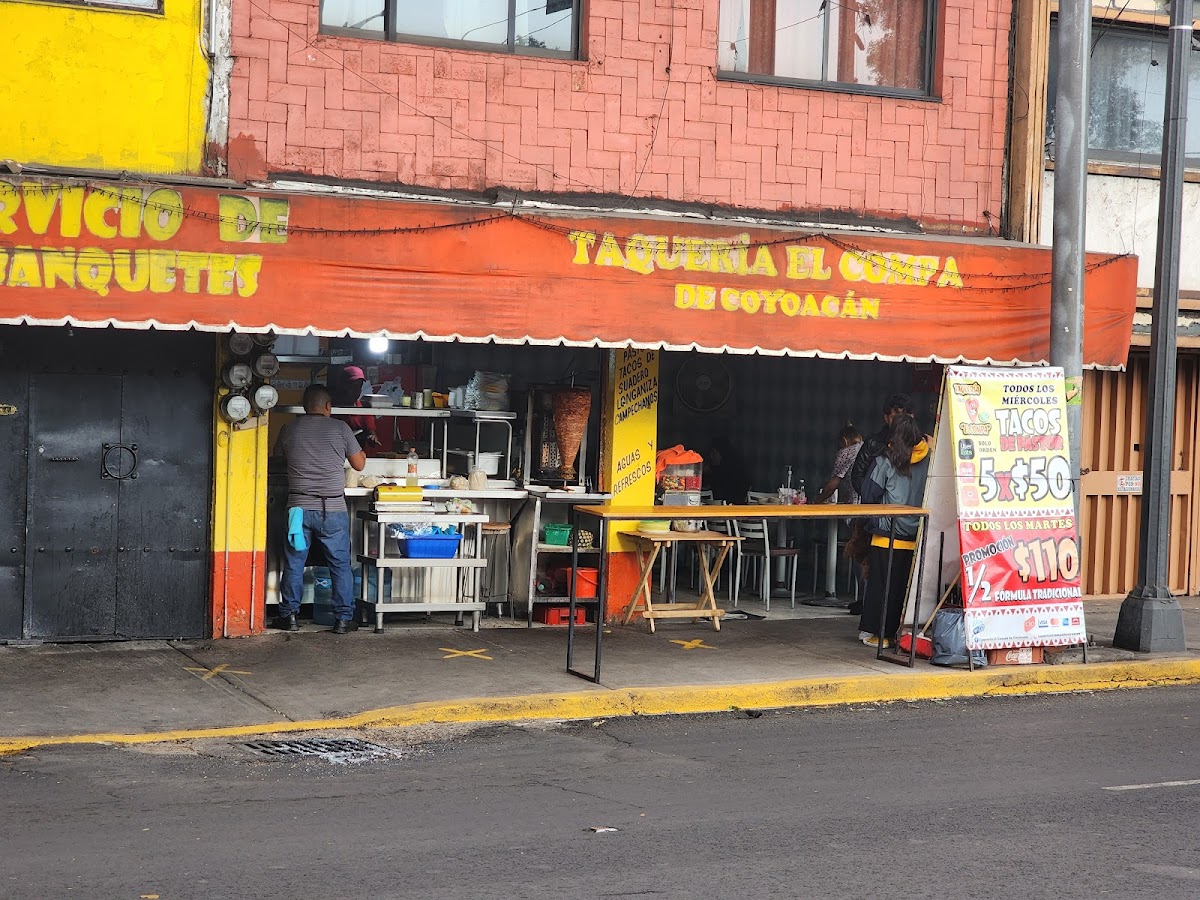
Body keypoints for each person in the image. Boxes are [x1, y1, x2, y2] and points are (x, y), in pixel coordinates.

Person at [273, 384, 367, 634]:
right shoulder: (341, 429)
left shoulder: (289, 429)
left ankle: (289, 616)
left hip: (298, 509)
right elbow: (359, 465)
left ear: (305, 406)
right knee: (339, 565)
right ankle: (343, 619)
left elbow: (277, 459)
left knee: (294, 563)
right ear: (328, 406)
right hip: (333, 509)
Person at [856, 414, 930, 649]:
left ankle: (879, 635)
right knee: (903, 589)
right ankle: (901, 634)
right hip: (916, 535)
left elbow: (869, 494)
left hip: (887, 534)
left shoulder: (885, 461)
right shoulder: (930, 460)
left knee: (880, 587)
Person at [333, 365, 381, 450]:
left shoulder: (363, 409)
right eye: (353, 386)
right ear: (343, 385)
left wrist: (372, 438)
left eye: (359, 386)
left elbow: (371, 432)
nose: (356, 390)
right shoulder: (331, 408)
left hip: (357, 454)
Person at [815, 423, 863, 505]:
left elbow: (832, 485)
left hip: (854, 506)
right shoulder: (866, 449)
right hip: (871, 506)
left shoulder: (846, 452)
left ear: (844, 441)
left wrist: (817, 501)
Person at [705, 435, 751, 504]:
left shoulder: (732, 472)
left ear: (722, 454)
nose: (711, 456)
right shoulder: (713, 470)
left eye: (714, 453)